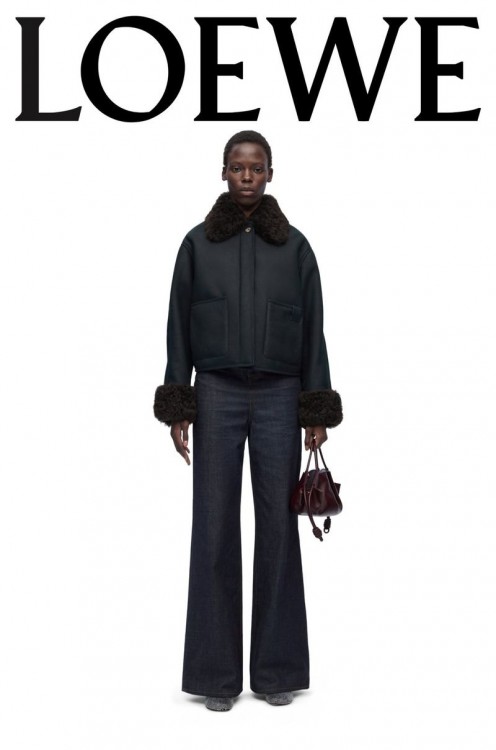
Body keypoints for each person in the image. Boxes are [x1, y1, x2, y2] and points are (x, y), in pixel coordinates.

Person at [153, 130, 343, 711]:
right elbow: (177, 325)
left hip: (281, 394)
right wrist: (179, 405)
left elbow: (313, 328)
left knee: (279, 529)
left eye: (256, 168)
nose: (246, 176)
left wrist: (315, 406)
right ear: (223, 172)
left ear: (270, 174)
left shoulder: (296, 247)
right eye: (237, 167)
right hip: (215, 392)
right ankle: (215, 678)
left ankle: (277, 672)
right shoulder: (196, 244)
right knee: (213, 528)